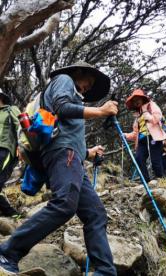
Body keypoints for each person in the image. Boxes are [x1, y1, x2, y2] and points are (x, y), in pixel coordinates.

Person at [0, 61, 118, 275]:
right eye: (88, 82)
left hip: (72, 157)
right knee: (64, 204)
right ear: (78, 72)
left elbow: (65, 130)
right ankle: (8, 252)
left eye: (90, 87)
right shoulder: (64, 80)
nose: (87, 88)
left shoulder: (72, 93)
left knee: (96, 214)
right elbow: (61, 107)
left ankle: (105, 271)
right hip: (64, 154)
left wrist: (88, 153)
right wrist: (101, 111)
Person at [124, 89, 166, 183]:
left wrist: (148, 115)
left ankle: (161, 181)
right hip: (141, 140)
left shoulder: (151, 106)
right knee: (139, 159)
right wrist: (126, 135)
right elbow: (136, 133)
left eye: (137, 99)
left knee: (155, 160)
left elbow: (157, 118)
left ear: (142, 99)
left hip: (153, 137)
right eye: (134, 101)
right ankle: (146, 181)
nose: (136, 102)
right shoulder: (137, 115)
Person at [0, 89, 21, 218]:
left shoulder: (10, 109)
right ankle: (10, 212)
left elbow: (22, 126)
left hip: (4, 149)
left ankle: (12, 214)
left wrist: (22, 145)